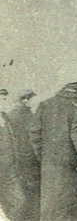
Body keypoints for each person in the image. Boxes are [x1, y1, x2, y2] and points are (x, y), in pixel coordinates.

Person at [29, 68, 77, 221]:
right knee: (75, 207)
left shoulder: (45, 104)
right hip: (76, 162)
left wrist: (43, 156)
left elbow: (34, 134)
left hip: (50, 163)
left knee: (52, 205)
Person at [5, 89, 41, 221]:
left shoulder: (9, 115)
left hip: (19, 161)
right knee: (32, 195)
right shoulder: (28, 116)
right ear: (26, 100)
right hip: (29, 159)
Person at [0, 87, 29, 221]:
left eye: (5, 97)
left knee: (20, 202)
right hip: (2, 169)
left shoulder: (5, 117)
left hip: (11, 168)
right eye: (2, 98)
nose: (5, 100)